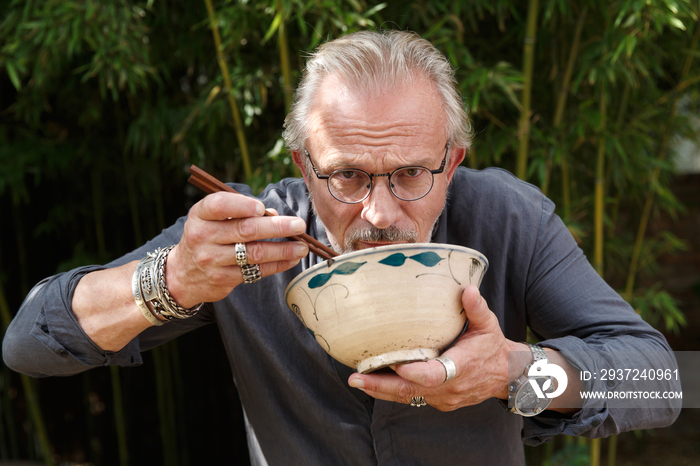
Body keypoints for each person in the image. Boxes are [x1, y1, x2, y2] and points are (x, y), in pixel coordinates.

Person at [3, 30, 681, 465]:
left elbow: (663, 379)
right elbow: (28, 343)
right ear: (303, 164)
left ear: (453, 160)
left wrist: (517, 372)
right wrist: (173, 279)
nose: (380, 212)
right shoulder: (248, 239)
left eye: (413, 174)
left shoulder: (506, 218)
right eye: (346, 175)